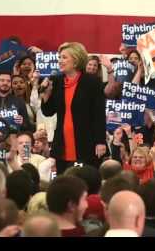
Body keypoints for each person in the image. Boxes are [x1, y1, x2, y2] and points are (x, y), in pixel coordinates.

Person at [40, 42, 106, 173]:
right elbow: (48, 111)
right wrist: (46, 95)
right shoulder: (56, 81)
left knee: (85, 182)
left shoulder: (92, 82)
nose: (60, 61)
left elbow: (98, 114)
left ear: (75, 61)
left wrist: (100, 141)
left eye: (64, 57)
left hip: (86, 143)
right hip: (62, 144)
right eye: (59, 57)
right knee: (64, 184)